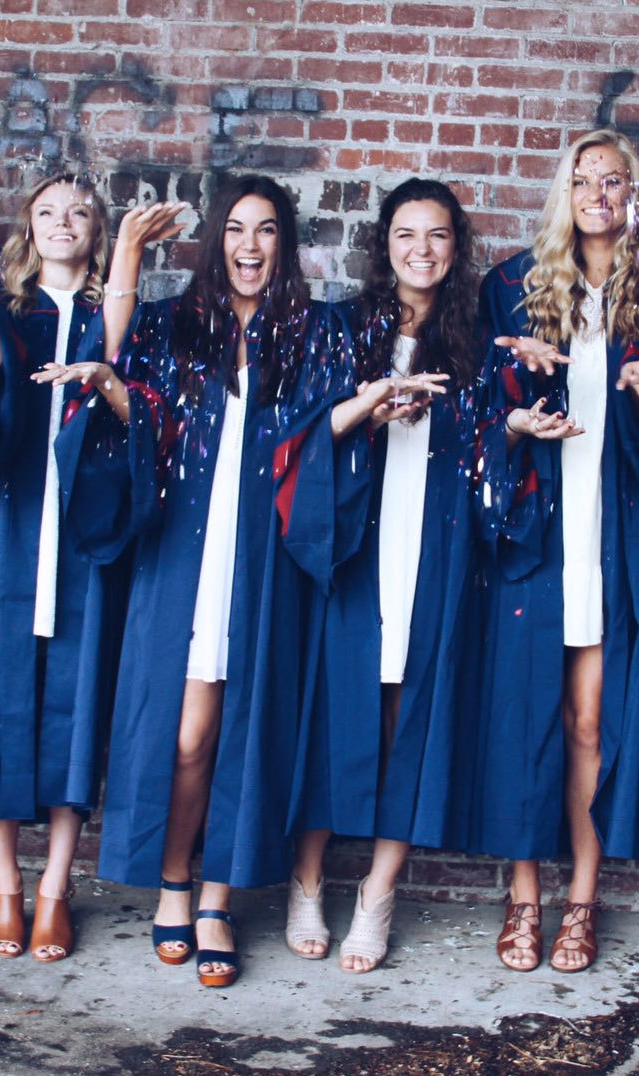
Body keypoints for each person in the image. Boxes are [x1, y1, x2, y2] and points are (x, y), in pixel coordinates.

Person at [48, 174, 348, 987]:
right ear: (217, 240)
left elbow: (323, 437)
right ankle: (174, 878)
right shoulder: (174, 323)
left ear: (285, 245)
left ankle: (214, 896)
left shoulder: (314, 333)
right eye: (237, 229)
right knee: (184, 736)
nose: (251, 246)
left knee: (241, 730)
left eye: (267, 230)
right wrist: (125, 255)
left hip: (261, 555)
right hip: (183, 546)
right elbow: (115, 369)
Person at [0, 171, 185, 962]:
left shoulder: (121, 310)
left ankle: (57, 888)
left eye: (79, 211)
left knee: (77, 706)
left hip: (82, 535)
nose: (63, 221)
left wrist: (130, 257)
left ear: (97, 230)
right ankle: (6, 882)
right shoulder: (2, 308)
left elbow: (119, 365)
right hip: (7, 524)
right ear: (27, 228)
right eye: (46, 211)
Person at [277, 178, 480, 972]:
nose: (421, 250)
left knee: (409, 720)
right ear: (384, 245)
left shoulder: (472, 341)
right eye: (405, 234)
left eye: (437, 235)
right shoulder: (341, 329)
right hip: (356, 544)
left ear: (455, 247)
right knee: (334, 712)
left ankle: (378, 891)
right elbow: (304, 434)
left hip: (432, 549)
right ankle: (306, 880)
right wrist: (371, 405)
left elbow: (489, 451)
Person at [472, 128, 639, 972]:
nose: (598, 195)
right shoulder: (513, 287)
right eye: (583, 180)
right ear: (563, 193)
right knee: (527, 713)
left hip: (614, 529)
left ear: (634, 195)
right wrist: (513, 410)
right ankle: (523, 896)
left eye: (615, 181)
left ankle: (581, 899)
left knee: (589, 720)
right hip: (537, 524)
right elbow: (474, 406)